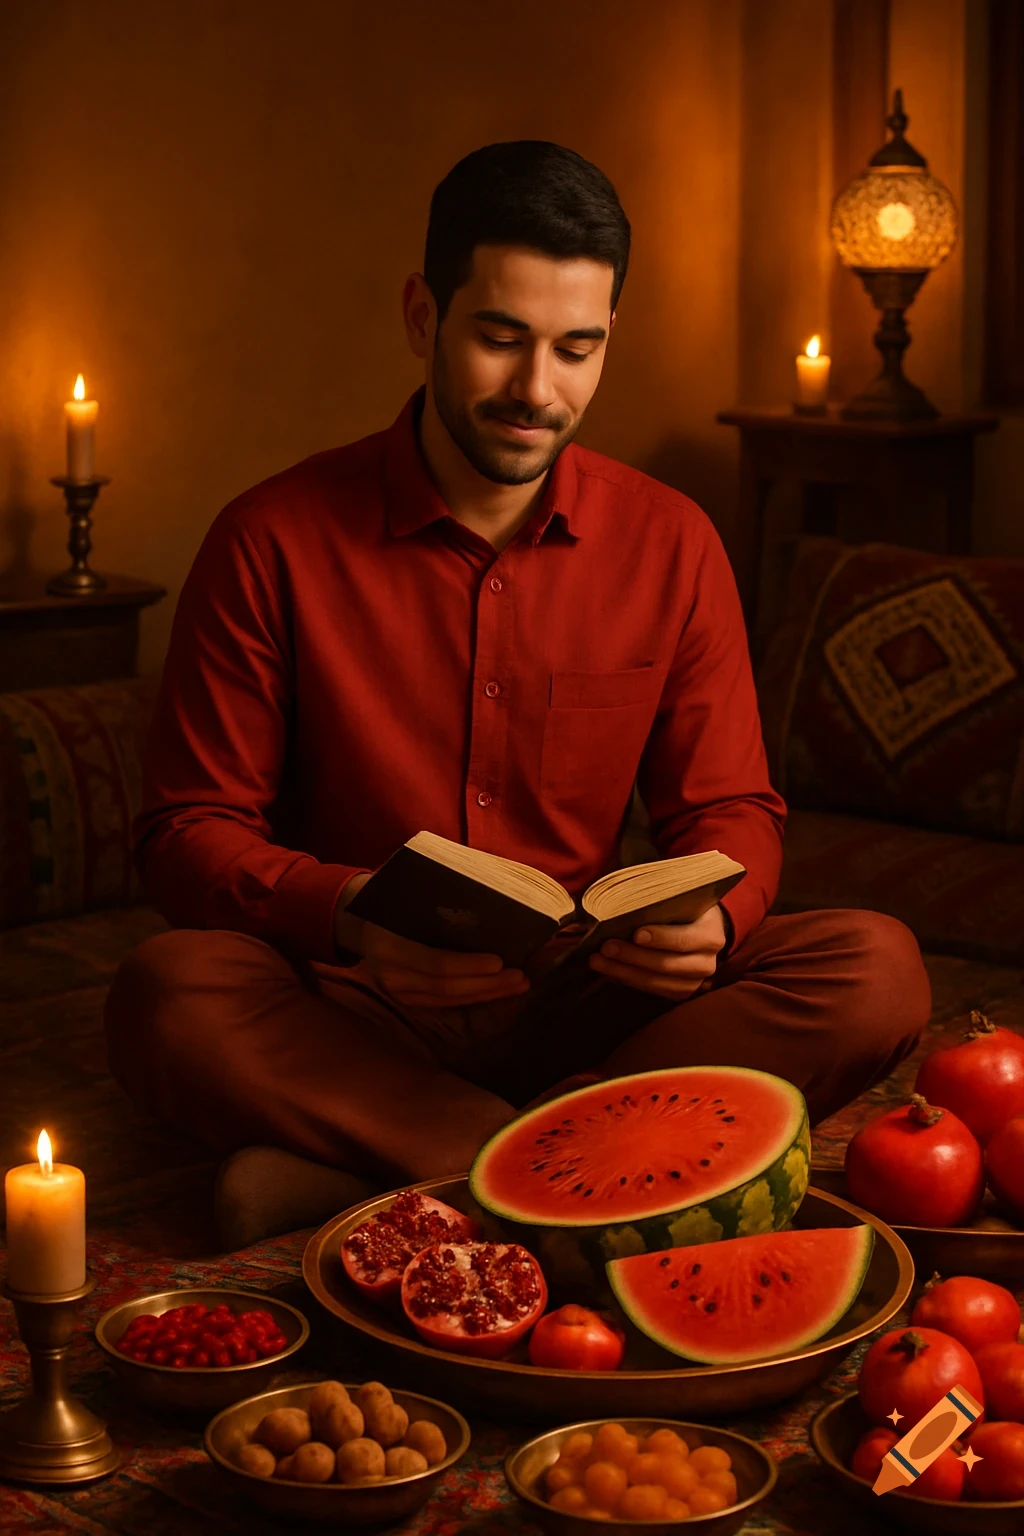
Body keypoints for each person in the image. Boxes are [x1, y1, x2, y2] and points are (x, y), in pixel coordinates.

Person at [104, 140, 931, 1250]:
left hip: (590, 1002)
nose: (537, 391)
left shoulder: (671, 540)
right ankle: (574, 1165)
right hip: (351, 1009)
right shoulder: (271, 538)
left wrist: (714, 922)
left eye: (575, 350)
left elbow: (733, 809)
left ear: (604, 346)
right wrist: (350, 916)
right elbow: (183, 832)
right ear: (421, 317)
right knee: (168, 991)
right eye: (499, 338)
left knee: (874, 968)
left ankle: (384, 1178)